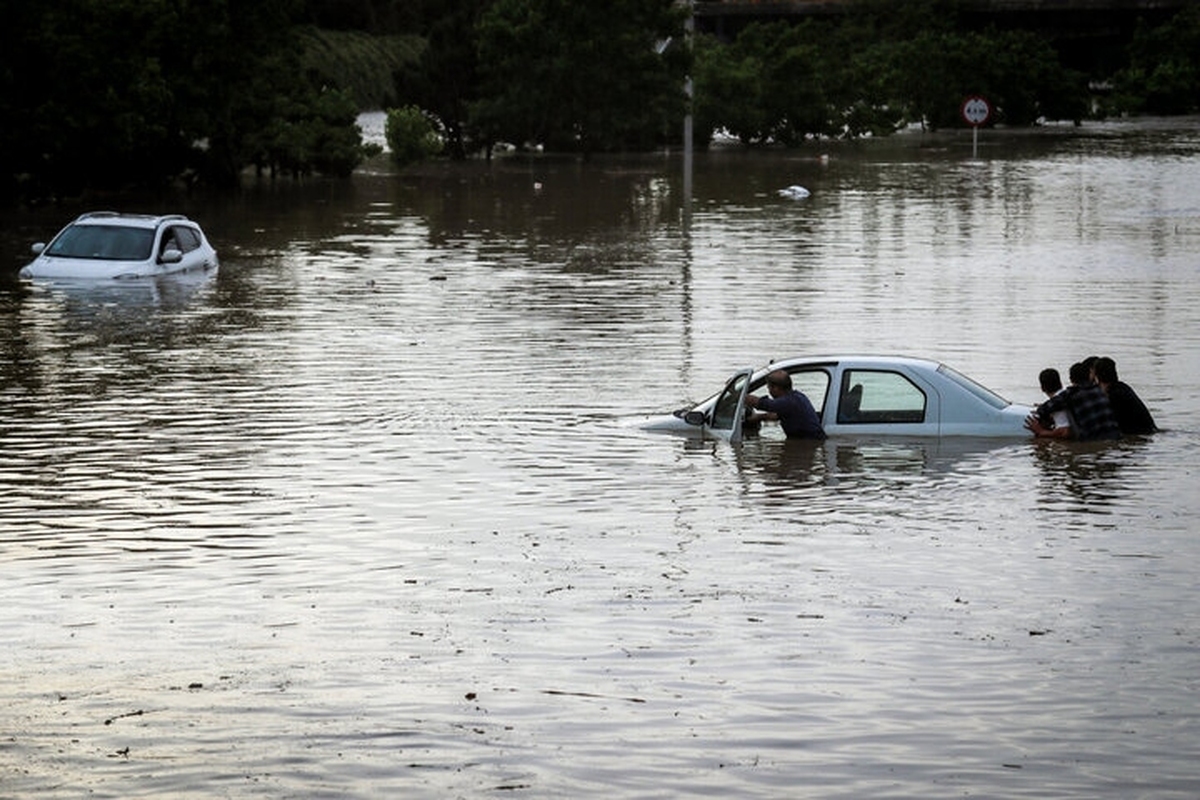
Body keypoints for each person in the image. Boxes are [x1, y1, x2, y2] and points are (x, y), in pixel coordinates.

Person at [1026, 361, 1121, 441]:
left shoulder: (1071, 394)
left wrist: (1041, 432)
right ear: (1089, 376)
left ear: (1071, 380)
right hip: (1115, 436)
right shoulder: (1099, 390)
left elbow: (1046, 408)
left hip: (1094, 440)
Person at [745, 370, 826, 440]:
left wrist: (741, 396)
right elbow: (776, 415)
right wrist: (758, 417)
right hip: (812, 441)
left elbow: (763, 404)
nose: (769, 391)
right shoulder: (797, 396)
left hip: (808, 442)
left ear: (775, 388)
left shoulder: (787, 402)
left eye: (769, 388)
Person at [1093, 356, 1157, 435]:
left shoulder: (1114, 395)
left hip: (1139, 433)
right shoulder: (1123, 387)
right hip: (1148, 431)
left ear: (1097, 377)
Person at [1037, 367, 1072, 432]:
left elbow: (1064, 430)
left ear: (1042, 388)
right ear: (1061, 383)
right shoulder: (1069, 395)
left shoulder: (1053, 404)